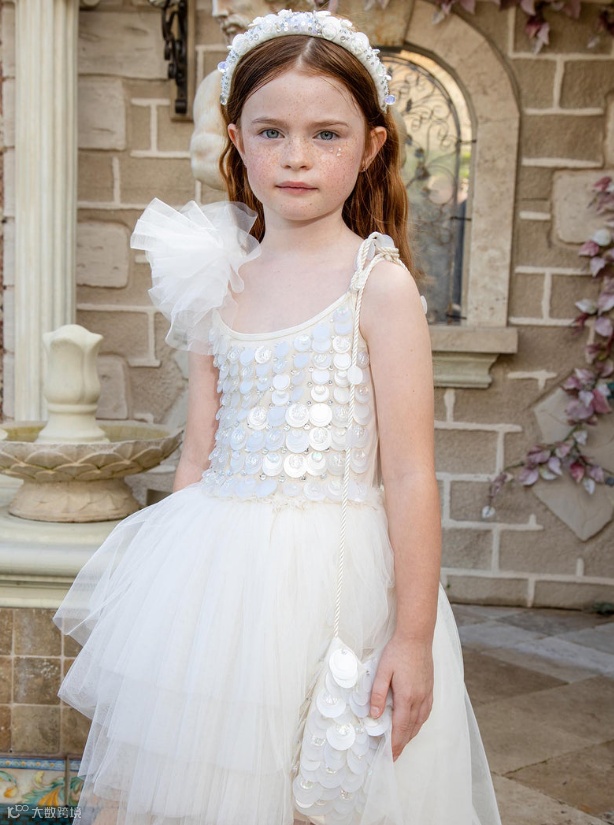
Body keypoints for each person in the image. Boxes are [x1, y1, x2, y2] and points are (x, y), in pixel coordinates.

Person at [53, 10, 502, 825]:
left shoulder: (379, 286)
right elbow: (198, 454)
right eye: (272, 132)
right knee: (209, 783)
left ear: (370, 146)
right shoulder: (218, 282)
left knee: (320, 789)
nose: (297, 156)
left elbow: (409, 474)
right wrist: (176, 605)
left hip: (340, 588)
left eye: (326, 134)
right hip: (221, 577)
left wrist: (410, 637)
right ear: (237, 140)